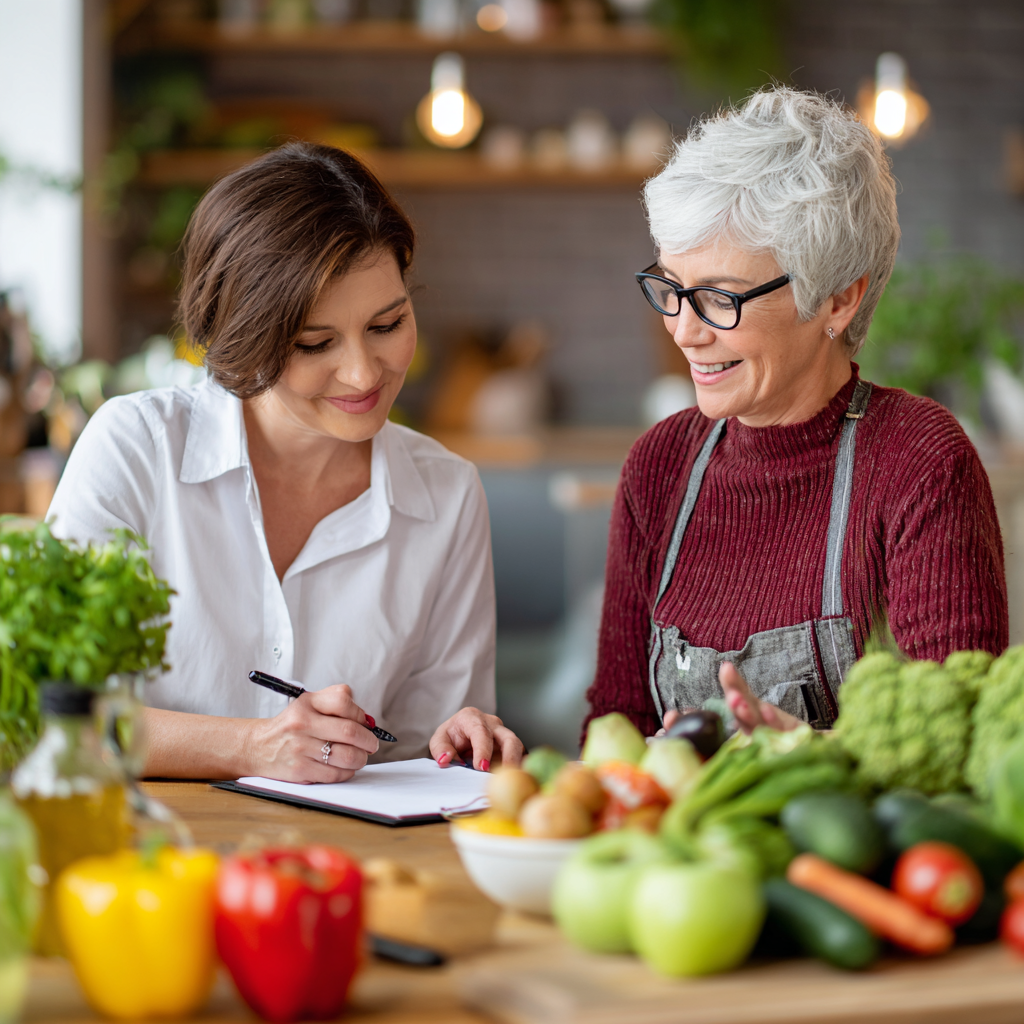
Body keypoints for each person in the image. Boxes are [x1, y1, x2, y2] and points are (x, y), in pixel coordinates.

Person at [49, 143, 524, 782]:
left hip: (335, 870)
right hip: (148, 859)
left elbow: (416, 756)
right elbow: (57, 719)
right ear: (242, 338)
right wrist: (253, 746)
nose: (362, 373)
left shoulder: (449, 493)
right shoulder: (136, 450)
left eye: (387, 325)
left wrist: (455, 742)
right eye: (314, 343)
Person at [585, 87, 1008, 740]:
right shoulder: (659, 465)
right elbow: (616, 729)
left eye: (719, 300)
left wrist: (815, 757)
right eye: (670, 288)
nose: (684, 332)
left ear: (838, 300)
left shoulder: (920, 463)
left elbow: (960, 747)